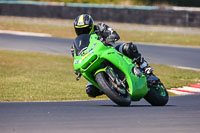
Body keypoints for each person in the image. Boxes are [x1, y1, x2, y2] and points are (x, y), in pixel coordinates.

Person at [71, 14, 153, 98]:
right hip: (93, 62)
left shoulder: (100, 28)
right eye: (79, 30)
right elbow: (76, 57)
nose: (82, 32)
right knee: (90, 90)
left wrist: (109, 39)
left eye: (85, 29)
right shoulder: (76, 44)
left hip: (109, 52)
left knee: (128, 47)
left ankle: (145, 67)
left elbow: (114, 34)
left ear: (91, 27)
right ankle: (110, 88)